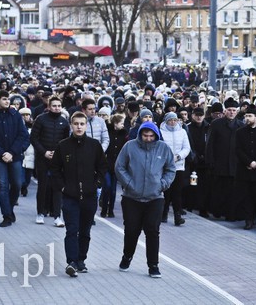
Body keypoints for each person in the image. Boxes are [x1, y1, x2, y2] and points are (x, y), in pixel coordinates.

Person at [48, 111, 108, 277]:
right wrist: (62, 187)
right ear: (71, 125)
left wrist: (96, 183)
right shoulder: (63, 145)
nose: (79, 127)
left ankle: (81, 259)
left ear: (86, 125)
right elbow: (54, 169)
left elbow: (103, 167)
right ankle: (72, 262)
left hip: (89, 196)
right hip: (70, 196)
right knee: (71, 229)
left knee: (85, 231)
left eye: (82, 124)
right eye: (76, 124)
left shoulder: (94, 145)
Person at [115, 121, 176, 278]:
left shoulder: (163, 148)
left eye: (151, 136)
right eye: (145, 135)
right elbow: (119, 167)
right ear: (140, 134)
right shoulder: (130, 146)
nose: (148, 138)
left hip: (155, 197)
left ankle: (153, 265)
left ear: (156, 135)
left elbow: (170, 169)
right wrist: (129, 183)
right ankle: (127, 256)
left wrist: (162, 184)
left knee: (152, 231)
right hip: (131, 197)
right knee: (131, 230)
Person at [0, 90, 31, 228]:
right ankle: (7, 215)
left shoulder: (15, 115)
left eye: (8, 99)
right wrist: (2, 153)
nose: (7, 101)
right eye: (4, 99)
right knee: (2, 186)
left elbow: (23, 135)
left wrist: (12, 152)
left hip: (14, 156)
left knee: (17, 184)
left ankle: (10, 209)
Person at [31, 96, 71, 226]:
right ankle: (40, 213)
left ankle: (57, 216)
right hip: (43, 158)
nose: (57, 108)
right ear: (49, 107)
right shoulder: (41, 119)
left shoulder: (64, 122)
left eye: (59, 106)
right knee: (42, 186)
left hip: (57, 160)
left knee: (58, 187)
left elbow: (66, 142)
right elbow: (34, 138)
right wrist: (44, 152)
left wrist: (58, 154)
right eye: (54, 105)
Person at [233, 105, 256, 230]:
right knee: (246, 195)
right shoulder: (239, 132)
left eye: (250, 116)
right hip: (244, 169)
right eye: (246, 116)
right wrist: (248, 162)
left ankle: (254, 214)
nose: (247, 118)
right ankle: (248, 219)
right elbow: (238, 149)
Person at [159, 112, 191, 226]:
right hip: (165, 166)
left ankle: (177, 215)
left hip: (179, 166)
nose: (172, 122)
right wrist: (167, 158)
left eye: (174, 120)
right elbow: (160, 147)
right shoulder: (161, 132)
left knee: (177, 191)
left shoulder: (182, 132)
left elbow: (187, 148)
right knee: (167, 191)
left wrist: (179, 156)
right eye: (170, 120)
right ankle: (164, 213)